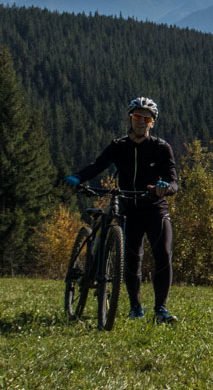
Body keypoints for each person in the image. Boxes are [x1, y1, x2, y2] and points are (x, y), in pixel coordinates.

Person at [64, 96, 180, 324]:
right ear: (130, 118)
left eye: (146, 119)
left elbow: (174, 181)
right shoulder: (119, 146)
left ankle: (161, 310)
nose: (141, 122)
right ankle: (135, 307)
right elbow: (97, 165)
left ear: (152, 123)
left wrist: (165, 188)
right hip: (129, 208)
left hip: (155, 208)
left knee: (164, 254)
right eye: (137, 117)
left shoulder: (161, 148)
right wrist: (78, 177)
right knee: (131, 257)